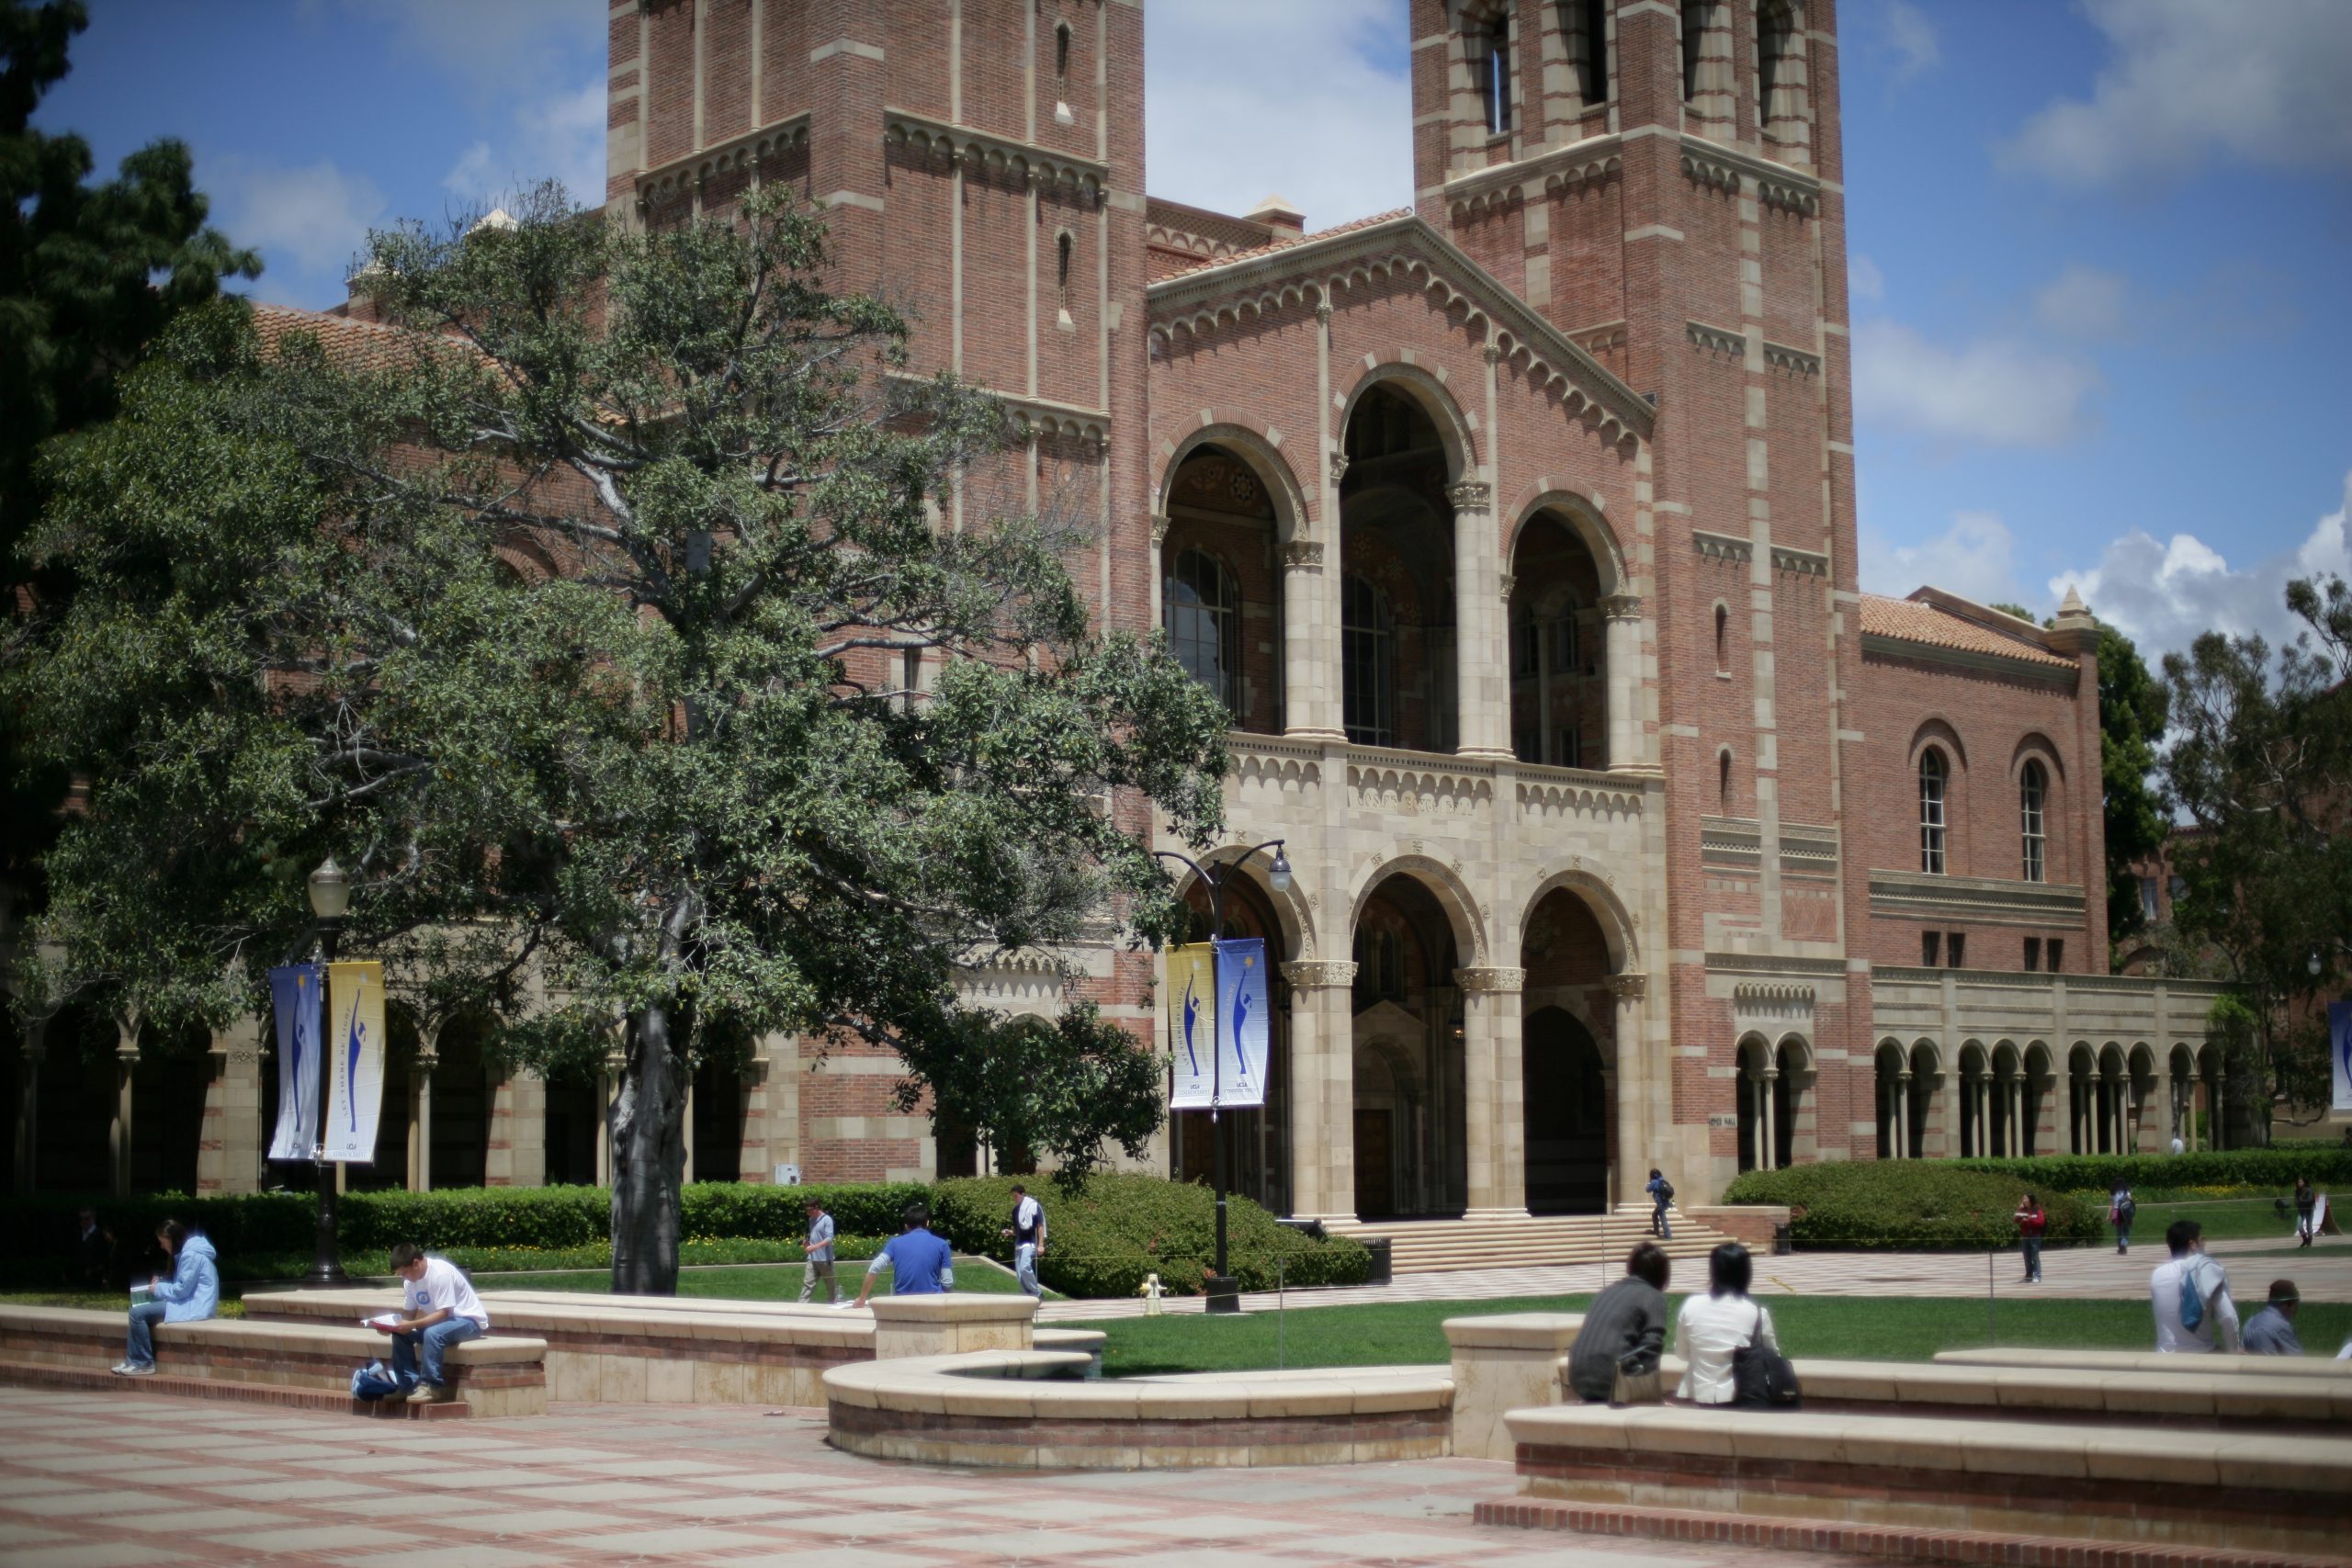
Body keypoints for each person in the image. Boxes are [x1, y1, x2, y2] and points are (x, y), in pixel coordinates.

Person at [371, 1242, 491, 1404]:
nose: (404, 1277)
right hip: (443, 1323)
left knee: (433, 1333)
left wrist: (411, 1325)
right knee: (401, 1334)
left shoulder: (440, 1273)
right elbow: (409, 1315)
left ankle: (431, 1386)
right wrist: (393, 1327)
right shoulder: (410, 1282)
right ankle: (407, 1385)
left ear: (416, 1263)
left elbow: (444, 1313)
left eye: (405, 1273)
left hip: (468, 1321)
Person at [1673, 1242, 1776, 1405]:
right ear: (1746, 1273)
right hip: (1743, 1397)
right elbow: (1771, 1356)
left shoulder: (1691, 1305)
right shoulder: (1756, 1312)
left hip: (1698, 1396)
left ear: (1713, 1271)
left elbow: (1682, 1354)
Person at [1567, 1242, 1671, 1403]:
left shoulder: (1606, 1292)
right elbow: (1652, 1345)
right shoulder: (1653, 1297)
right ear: (1662, 1274)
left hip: (1576, 1378)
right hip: (1612, 1380)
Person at [112, 1220, 218, 1376]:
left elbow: (182, 1290)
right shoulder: (187, 1253)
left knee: (137, 1313)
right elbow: (182, 1283)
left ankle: (144, 1363)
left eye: (162, 1242)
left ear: (172, 1239)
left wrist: (158, 1288)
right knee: (136, 1309)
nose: (161, 1246)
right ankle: (133, 1361)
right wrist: (161, 1282)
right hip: (187, 1302)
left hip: (194, 1306)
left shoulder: (190, 1255)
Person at [2151, 1219, 2240, 1353]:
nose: (2204, 1244)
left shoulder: (2157, 1274)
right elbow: (2228, 1316)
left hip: (2164, 1353)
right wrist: (2234, 1351)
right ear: (2193, 1244)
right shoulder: (2205, 1269)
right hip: (2201, 1352)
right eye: (2202, 1240)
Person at [851, 1202, 956, 1308]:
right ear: (927, 1223)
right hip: (933, 1302)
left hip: (903, 1302)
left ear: (906, 1226)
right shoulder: (942, 1245)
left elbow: (875, 1267)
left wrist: (862, 1298)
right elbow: (947, 1282)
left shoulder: (895, 1243)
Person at [1001, 1184, 1046, 1299]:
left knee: (1025, 1267)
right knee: (1020, 1275)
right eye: (1013, 1197)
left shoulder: (1034, 1206)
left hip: (1030, 1243)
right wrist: (1009, 1232)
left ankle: (1037, 1291)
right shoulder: (1015, 1210)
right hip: (1018, 1244)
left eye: (1016, 1196)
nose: (1015, 1199)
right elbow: (1017, 1230)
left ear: (1023, 1194)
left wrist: (1041, 1245)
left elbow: (1040, 1226)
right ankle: (1030, 1296)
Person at [797, 1198, 842, 1305]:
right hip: (812, 1259)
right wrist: (807, 1243)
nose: (808, 1213)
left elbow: (829, 1238)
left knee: (831, 1287)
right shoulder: (811, 1220)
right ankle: (800, 1306)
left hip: (825, 1259)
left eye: (809, 1210)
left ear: (816, 1208)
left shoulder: (827, 1220)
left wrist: (815, 1247)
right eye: (806, 1211)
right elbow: (814, 1237)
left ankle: (833, 1306)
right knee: (807, 1284)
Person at [2243, 1280, 2304, 1356]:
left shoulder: (2251, 1322)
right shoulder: (2281, 1326)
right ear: (2287, 1305)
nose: (2296, 1311)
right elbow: (2298, 1359)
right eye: (2296, 1306)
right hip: (2272, 1367)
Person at [76, 1207, 116, 1291]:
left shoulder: (100, 1235)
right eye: (81, 1219)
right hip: (80, 1276)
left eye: (86, 1219)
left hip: (96, 1276)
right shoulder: (78, 1234)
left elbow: (105, 1256)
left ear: (93, 1219)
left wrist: (95, 1270)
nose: (83, 1221)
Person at [2014, 1192, 2046, 1283]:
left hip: (2035, 1236)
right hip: (2025, 1236)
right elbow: (2016, 1220)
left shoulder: (2037, 1209)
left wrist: (2030, 1219)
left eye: (2025, 1198)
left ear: (2030, 1200)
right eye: (2023, 1199)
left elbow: (2041, 1222)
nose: (2024, 1200)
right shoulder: (2023, 1209)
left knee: (2035, 1256)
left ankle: (2037, 1276)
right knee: (2026, 1257)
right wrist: (2019, 1210)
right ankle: (2029, 1276)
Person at [1645, 1168, 1674, 1241]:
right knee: (1654, 1214)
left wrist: (1649, 1183)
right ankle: (1656, 1231)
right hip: (1666, 1202)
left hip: (1660, 1203)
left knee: (1663, 1219)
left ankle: (1668, 1236)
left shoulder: (1654, 1182)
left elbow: (1648, 1190)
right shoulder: (1663, 1180)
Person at [2109, 1182, 2136, 1255]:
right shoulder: (2126, 1191)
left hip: (2116, 1212)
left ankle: (2120, 1248)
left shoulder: (2113, 1192)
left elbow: (2112, 1205)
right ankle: (2124, 1245)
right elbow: (2130, 1200)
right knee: (2126, 1231)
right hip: (2125, 1212)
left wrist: (2109, 1215)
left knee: (2119, 1232)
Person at [2294, 1177, 2317, 1248]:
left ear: (2304, 1182)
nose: (2299, 1184)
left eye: (2301, 1182)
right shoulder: (2297, 1191)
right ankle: (2305, 1239)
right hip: (2301, 1210)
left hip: (2309, 1210)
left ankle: (2309, 1241)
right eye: (2298, 1182)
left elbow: (2310, 1200)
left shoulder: (2309, 1190)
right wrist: (2301, 1202)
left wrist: (2301, 1201)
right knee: (2299, 1225)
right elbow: (2296, 1201)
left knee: (2309, 1226)